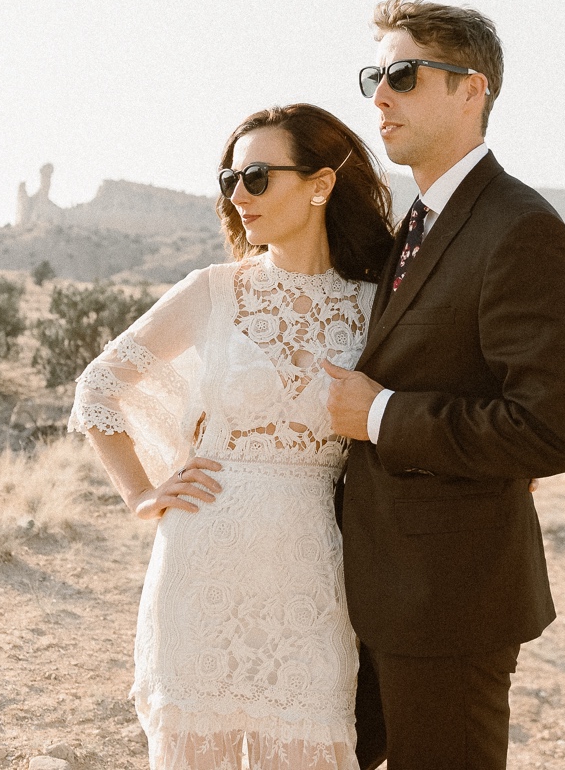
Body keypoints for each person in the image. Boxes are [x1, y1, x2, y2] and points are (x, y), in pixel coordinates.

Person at [70, 103, 395, 770]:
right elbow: (99, 388)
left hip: (313, 568)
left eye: (256, 176)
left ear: (320, 184)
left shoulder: (374, 304)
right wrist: (142, 493)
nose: (238, 195)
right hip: (201, 562)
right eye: (229, 181)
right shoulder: (213, 292)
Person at [322, 0, 565, 770]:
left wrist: (378, 415)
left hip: (450, 603)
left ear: (471, 88)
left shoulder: (520, 227)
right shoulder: (416, 223)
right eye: (374, 74)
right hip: (372, 586)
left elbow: (553, 429)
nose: (380, 94)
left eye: (403, 74)